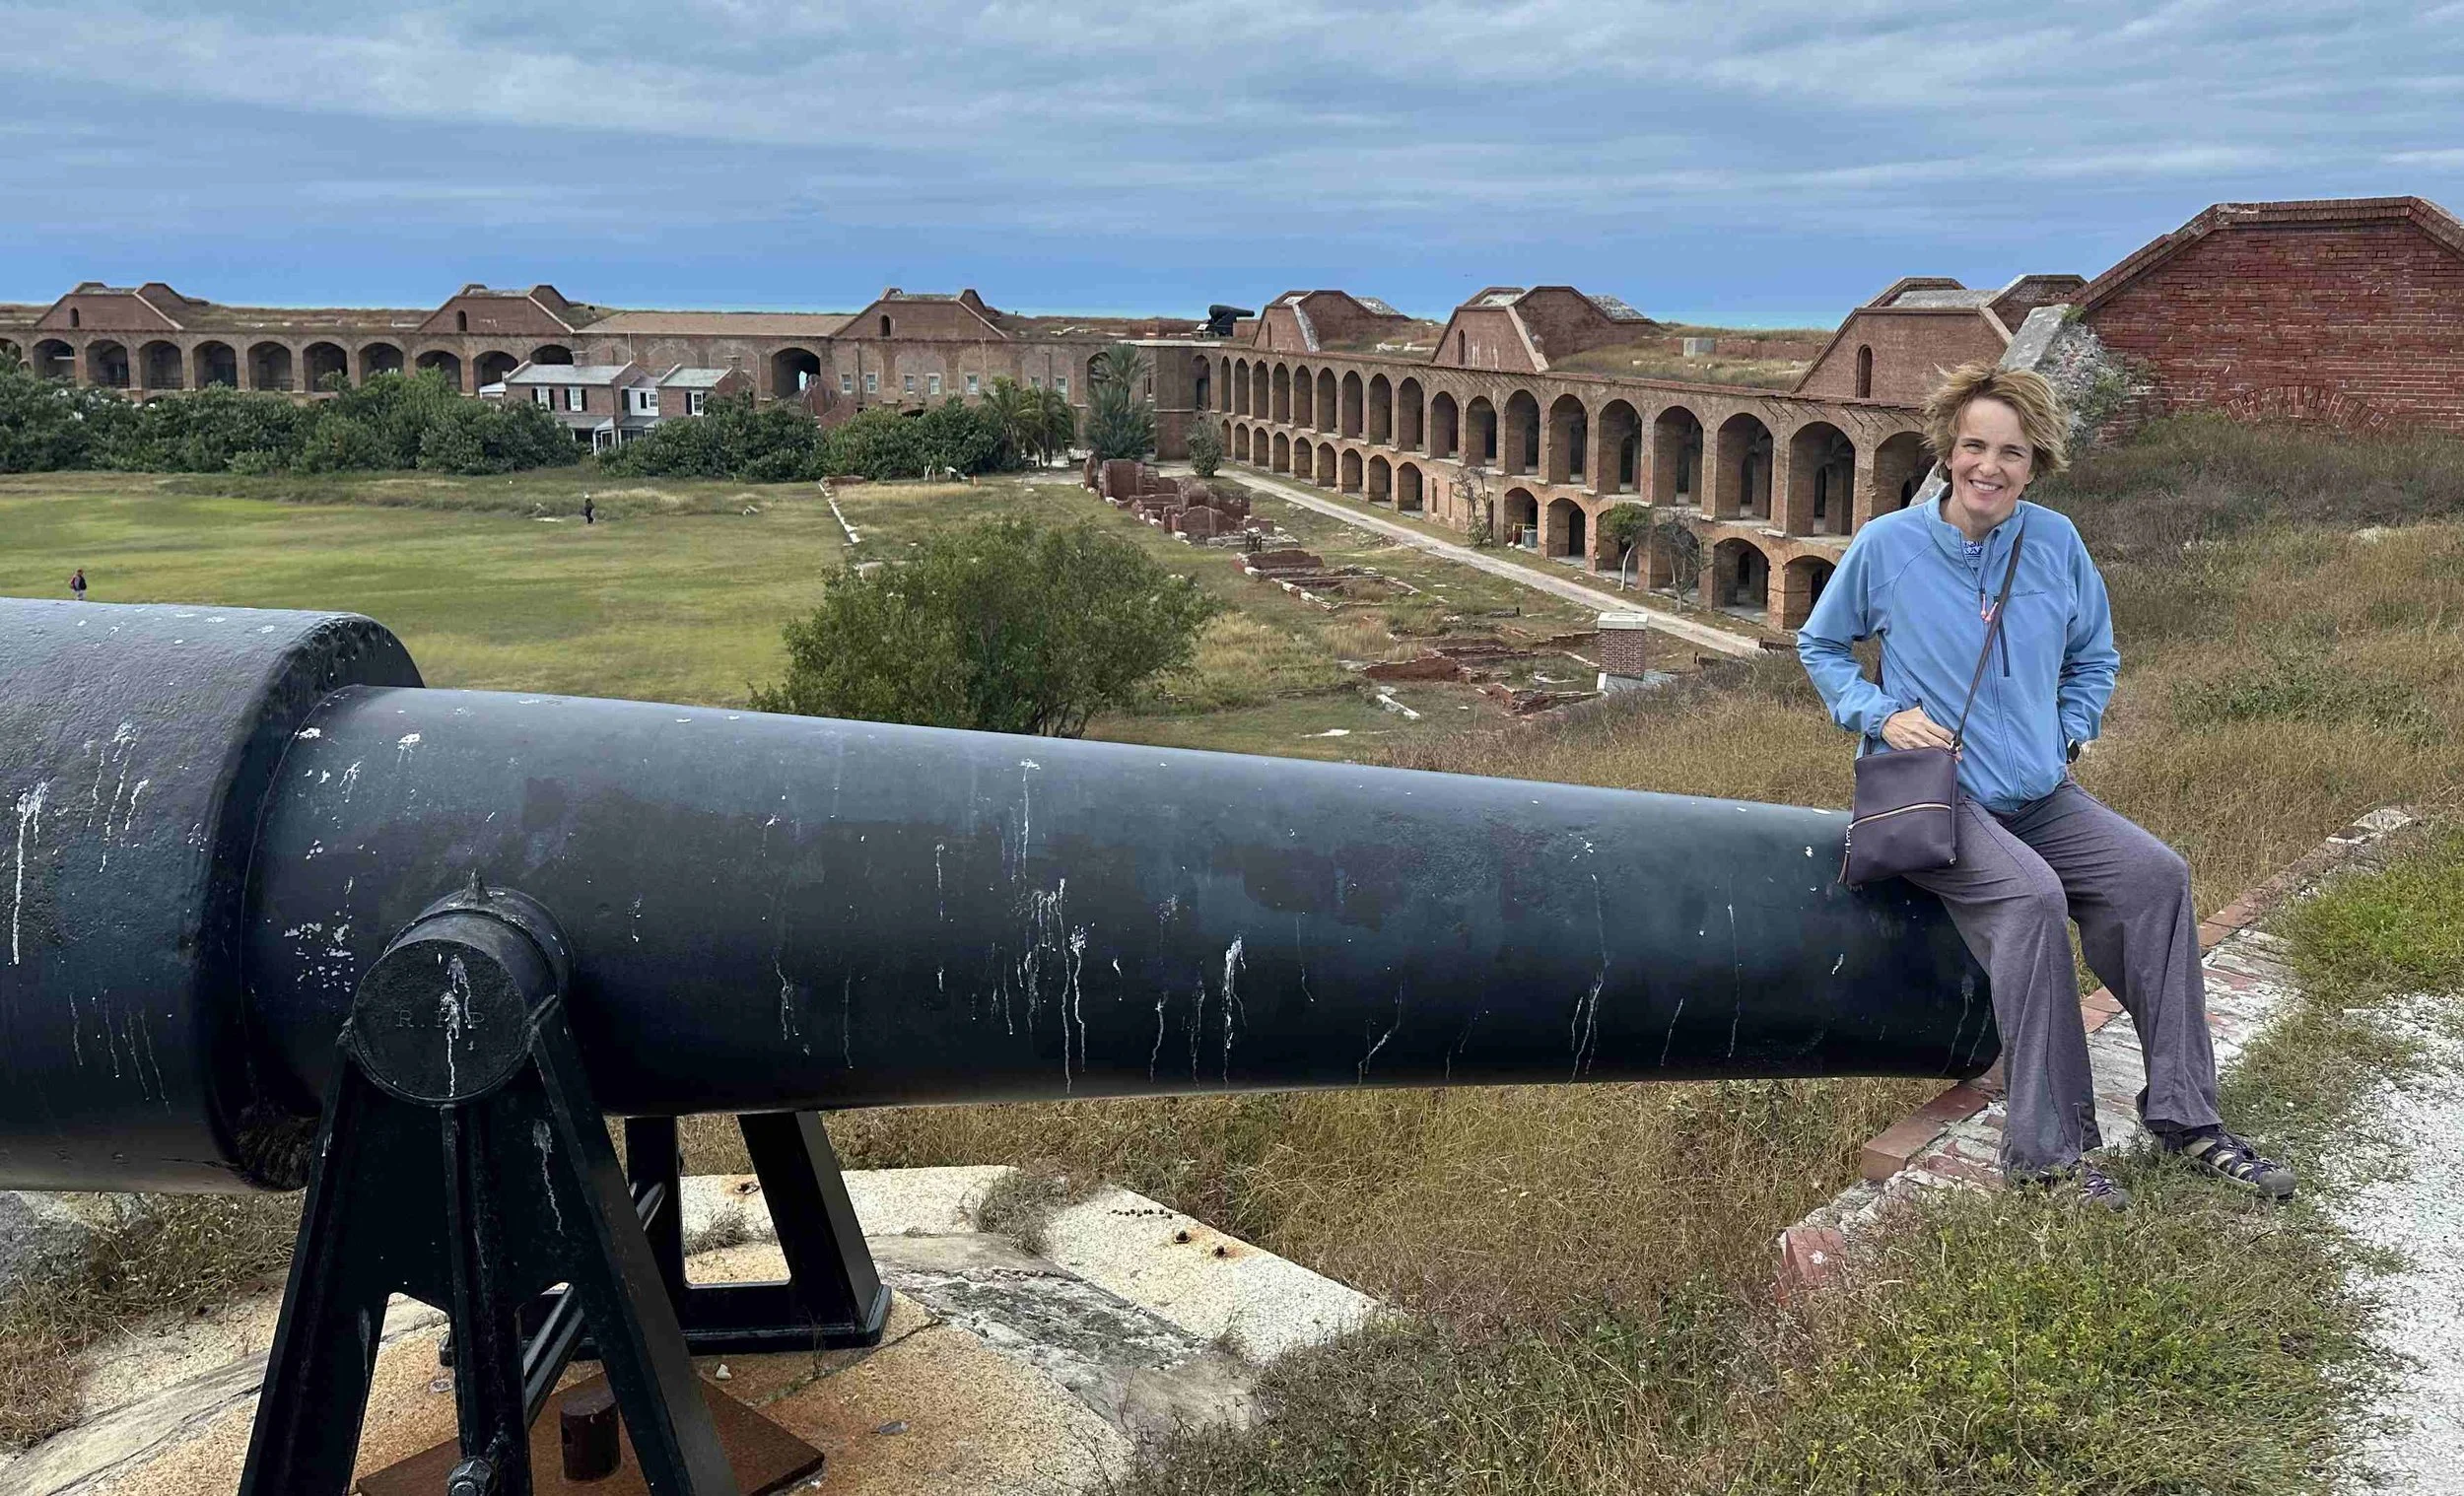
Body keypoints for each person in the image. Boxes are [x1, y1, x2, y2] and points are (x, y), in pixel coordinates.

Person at [1797, 363, 2293, 1210]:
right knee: (2031, 898)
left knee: (2155, 877)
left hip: (2038, 793)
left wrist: (2069, 728)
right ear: (1948, 453)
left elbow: (2095, 655)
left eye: (2011, 453)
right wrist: (1879, 715)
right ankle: (2046, 1157)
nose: (1989, 467)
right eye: (1974, 447)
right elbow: (1822, 645)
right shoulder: (1891, 547)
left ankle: (2186, 1118)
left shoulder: (2056, 543)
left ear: (2035, 464)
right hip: (1939, 801)